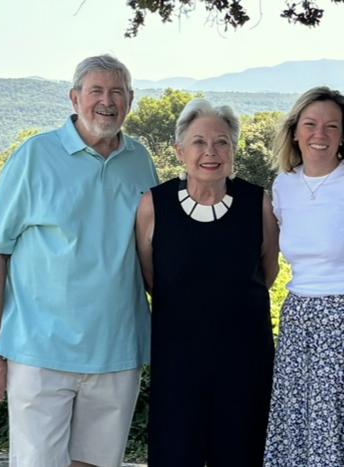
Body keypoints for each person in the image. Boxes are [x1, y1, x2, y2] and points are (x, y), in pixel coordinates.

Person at [0, 54, 157, 467]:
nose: (106, 101)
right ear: (74, 98)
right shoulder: (34, 157)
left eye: (117, 92)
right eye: (96, 91)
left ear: (130, 100)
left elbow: (151, 251)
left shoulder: (140, 161)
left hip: (117, 348)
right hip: (39, 349)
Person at [136, 99, 279, 467]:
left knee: (241, 453)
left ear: (233, 150)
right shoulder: (155, 205)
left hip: (245, 359)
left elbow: (267, 271)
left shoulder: (257, 202)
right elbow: (152, 276)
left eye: (222, 142)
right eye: (199, 142)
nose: (210, 152)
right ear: (181, 151)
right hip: (178, 358)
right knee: (176, 453)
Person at [263, 87, 344, 467]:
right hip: (297, 317)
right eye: (311, 124)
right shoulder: (284, 185)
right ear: (295, 131)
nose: (320, 134)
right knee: (298, 424)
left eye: (331, 126)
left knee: (342, 425)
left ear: (343, 135)